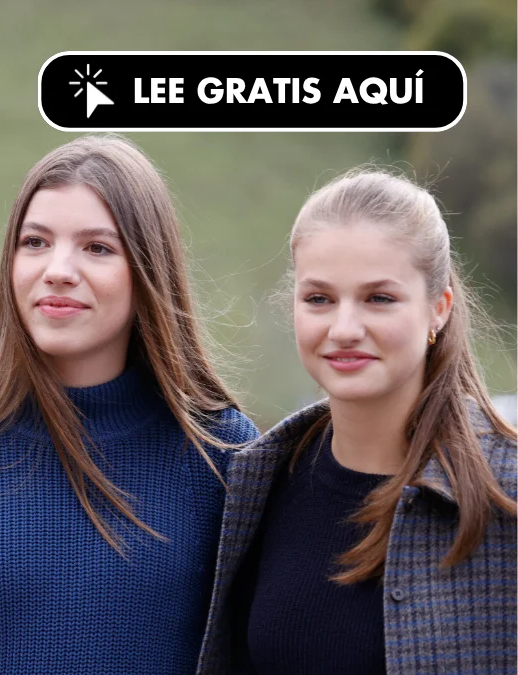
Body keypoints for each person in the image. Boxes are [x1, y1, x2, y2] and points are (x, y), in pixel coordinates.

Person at [0, 135, 259, 674]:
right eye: (35, 242)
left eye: (97, 247)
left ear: (147, 269)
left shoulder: (223, 454)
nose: (58, 269)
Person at [196, 170, 517, 675]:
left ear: (439, 309)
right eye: (319, 299)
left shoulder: (507, 492)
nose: (344, 329)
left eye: (379, 298)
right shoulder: (254, 481)